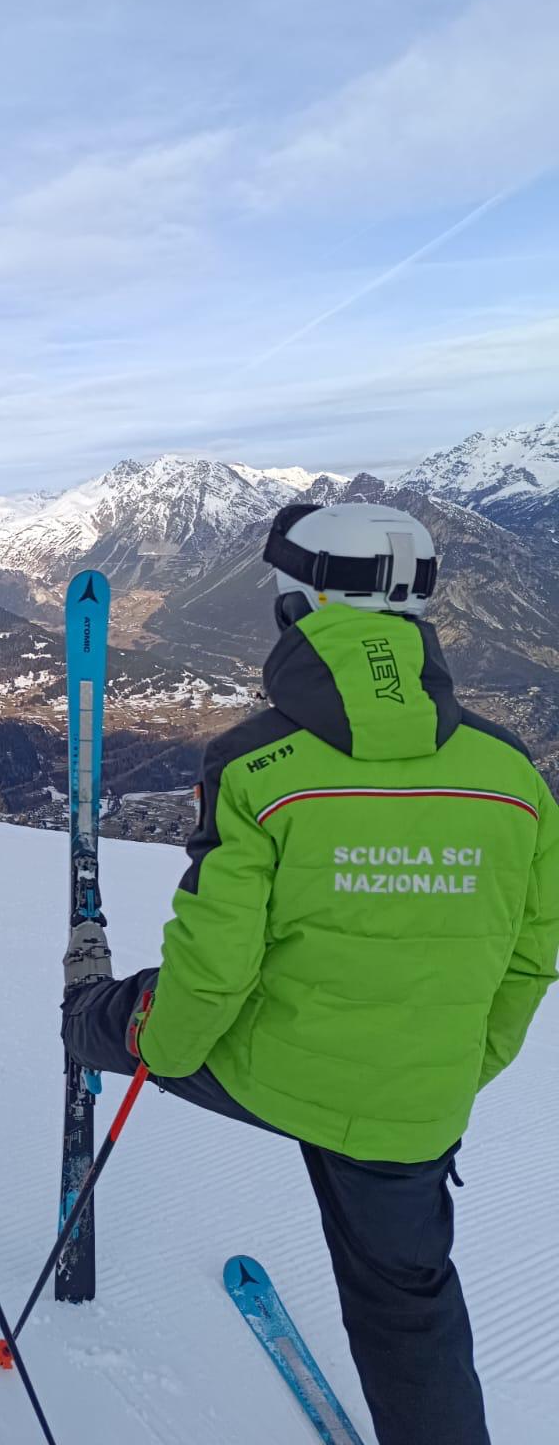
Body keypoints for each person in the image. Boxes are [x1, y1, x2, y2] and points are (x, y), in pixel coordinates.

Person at [63, 501, 559, 1445]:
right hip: (417, 1103)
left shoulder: (257, 764)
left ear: (298, 607)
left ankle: (77, 1061)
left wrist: (142, 1042)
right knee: (410, 1304)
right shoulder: (512, 772)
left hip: (272, 1073)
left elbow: (211, 975)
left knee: (98, 1018)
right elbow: (534, 954)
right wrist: (455, 1069)